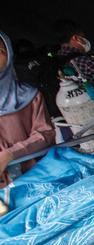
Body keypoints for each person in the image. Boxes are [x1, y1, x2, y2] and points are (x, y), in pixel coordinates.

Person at [0, 31, 55, 187]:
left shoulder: (30, 95)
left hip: (35, 178)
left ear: (9, 56)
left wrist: (9, 155)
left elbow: (46, 134)